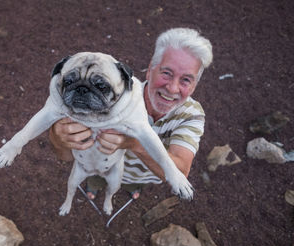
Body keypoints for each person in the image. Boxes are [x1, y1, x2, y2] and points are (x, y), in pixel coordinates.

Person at [49, 28, 213, 201]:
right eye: (166, 73)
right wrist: (57, 138)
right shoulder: (113, 100)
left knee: (134, 183)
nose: (172, 88)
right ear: (150, 69)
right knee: (96, 177)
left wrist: (135, 143)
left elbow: (179, 174)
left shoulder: (192, 116)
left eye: (186, 80)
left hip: (144, 175)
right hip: (97, 165)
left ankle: (131, 186)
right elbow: (65, 155)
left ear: (195, 85)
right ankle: (95, 184)